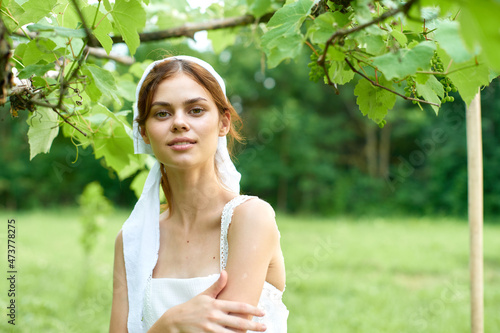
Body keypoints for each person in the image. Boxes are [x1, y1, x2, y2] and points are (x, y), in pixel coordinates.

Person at [109, 55, 288, 333]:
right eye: (162, 113)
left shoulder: (250, 218)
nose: (179, 123)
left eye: (196, 110)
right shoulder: (131, 241)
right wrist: (169, 325)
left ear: (223, 123)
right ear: (143, 132)